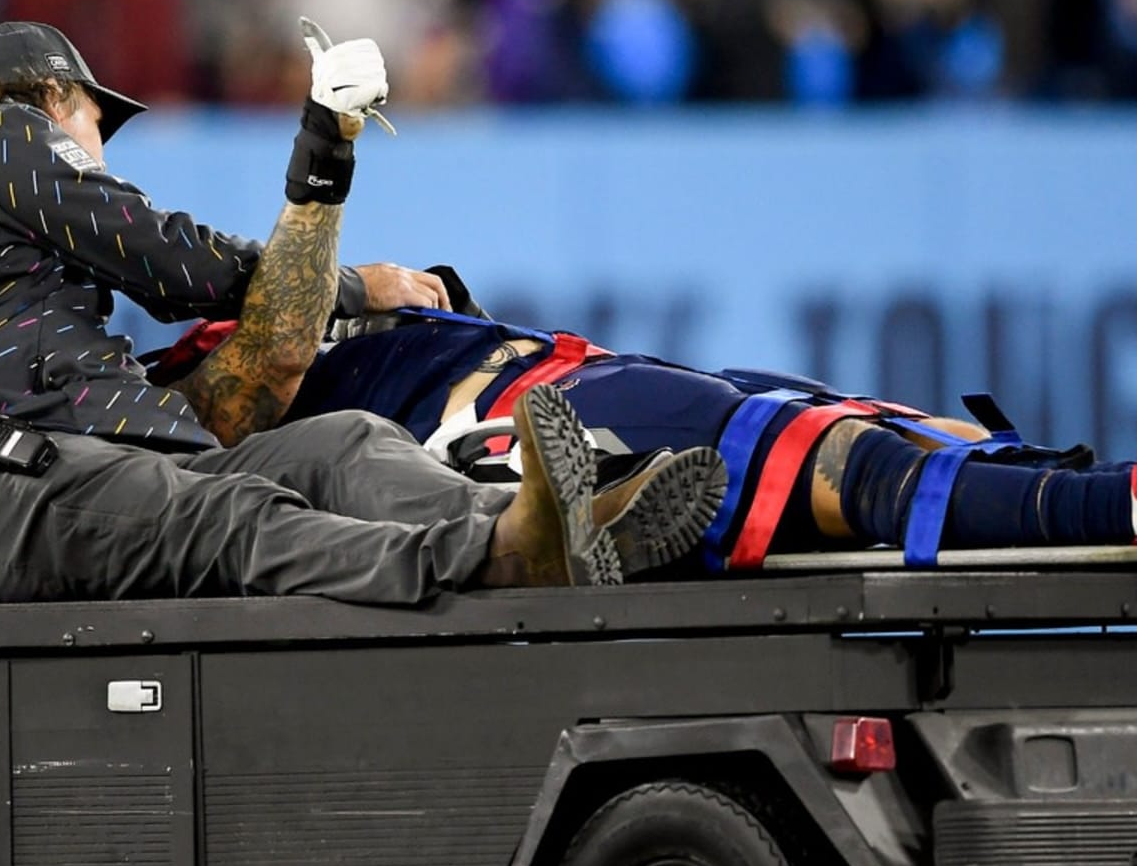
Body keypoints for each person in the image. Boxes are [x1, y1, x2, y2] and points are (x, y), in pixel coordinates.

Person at [0, 18, 726, 604]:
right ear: (50, 96)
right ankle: (499, 550)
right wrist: (356, 286)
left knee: (343, 445)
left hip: (61, 471)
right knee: (230, 512)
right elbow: (180, 268)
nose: (101, 150)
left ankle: (560, 522)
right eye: (95, 121)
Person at [150, 289, 1137, 575]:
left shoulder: (288, 310)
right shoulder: (184, 396)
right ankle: (1114, 507)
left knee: (885, 427)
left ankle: (1093, 489)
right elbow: (249, 390)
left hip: (571, 373)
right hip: (503, 426)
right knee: (839, 468)